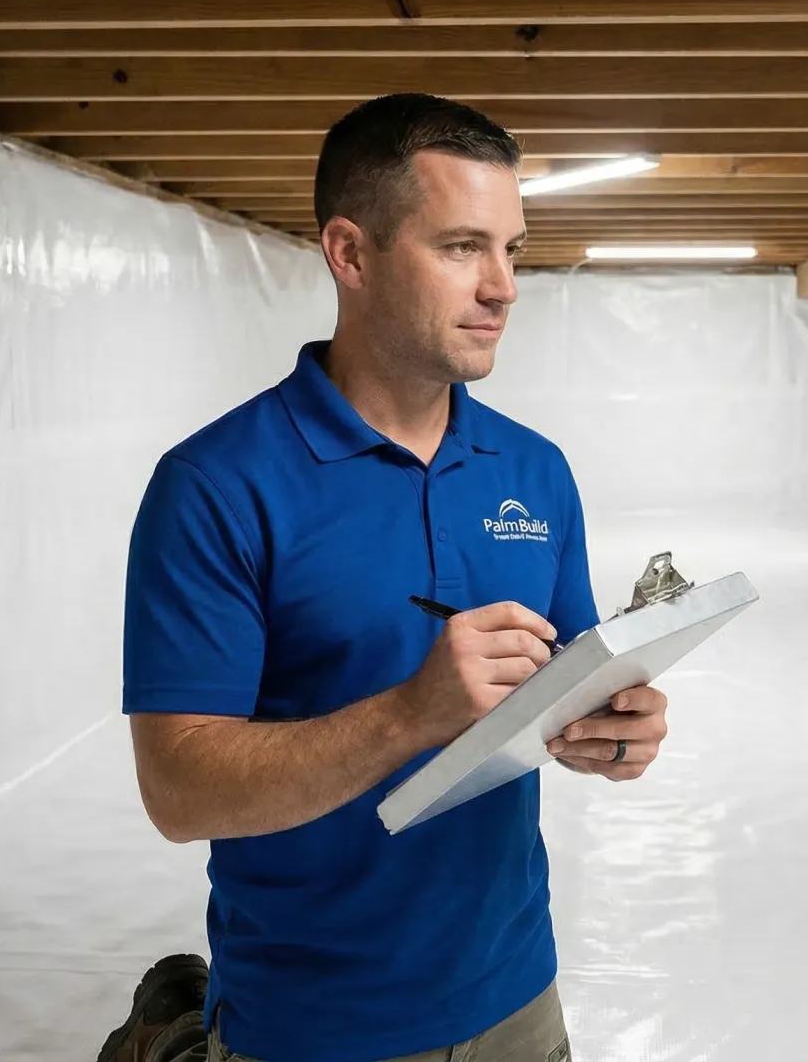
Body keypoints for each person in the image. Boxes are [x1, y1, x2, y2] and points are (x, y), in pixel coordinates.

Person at [104, 93, 672, 1062]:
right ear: (350, 253)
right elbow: (178, 791)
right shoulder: (217, 485)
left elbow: (571, 677)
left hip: (517, 993)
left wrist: (613, 729)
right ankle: (168, 1034)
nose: (503, 286)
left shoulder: (534, 470)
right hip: (315, 1023)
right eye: (461, 247)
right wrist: (411, 711)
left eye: (513, 249)